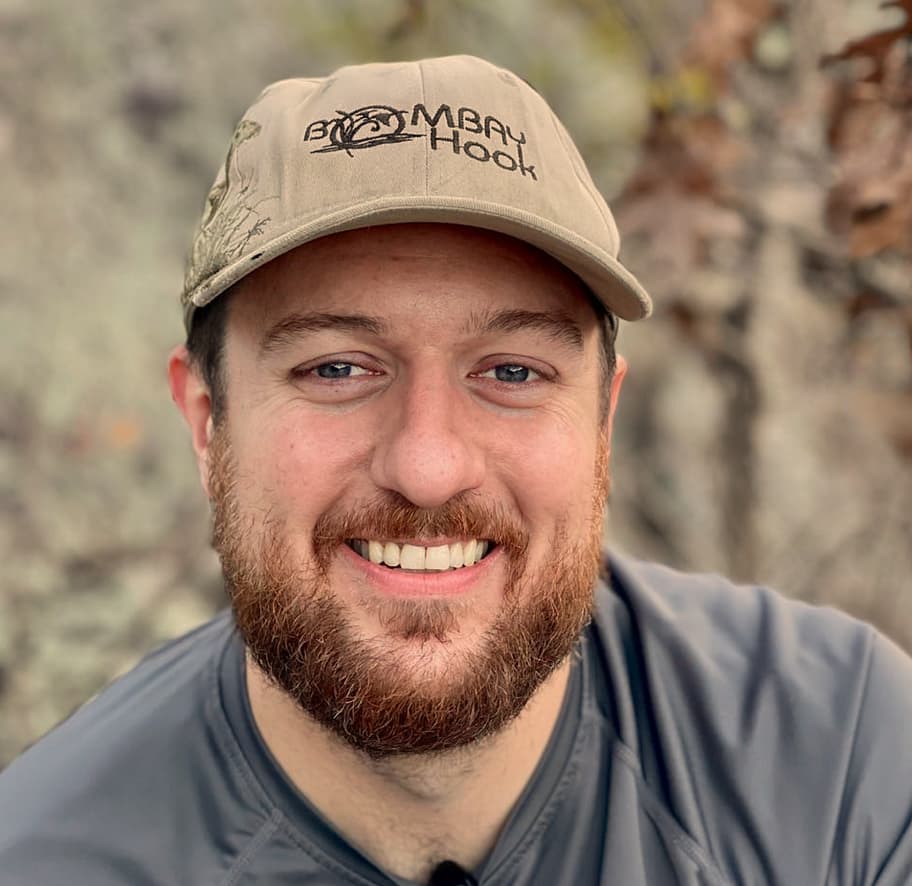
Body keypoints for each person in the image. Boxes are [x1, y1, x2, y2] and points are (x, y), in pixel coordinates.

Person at [0, 55, 910, 886]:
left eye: (512, 372)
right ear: (209, 424)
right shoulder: (47, 859)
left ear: (602, 421)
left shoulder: (839, 762)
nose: (429, 468)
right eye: (337, 369)